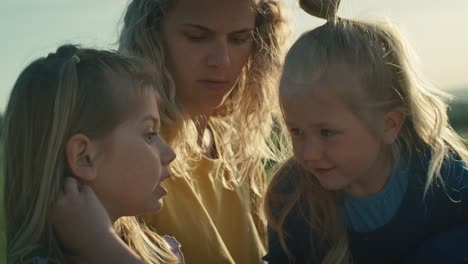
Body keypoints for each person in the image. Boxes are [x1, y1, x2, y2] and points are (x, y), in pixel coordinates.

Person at [263, 0, 468, 263]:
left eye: (327, 132)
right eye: (296, 131)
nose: (309, 153)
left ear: (389, 124)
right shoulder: (292, 197)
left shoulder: (437, 177)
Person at [118, 0, 289, 263]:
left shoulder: (240, 150)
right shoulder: (128, 154)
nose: (222, 60)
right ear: (152, 37)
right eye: (197, 37)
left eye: (239, 39)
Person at [3, 44, 183, 263]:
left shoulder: (160, 252)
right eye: (149, 134)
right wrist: (102, 246)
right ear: (84, 157)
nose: (169, 153)